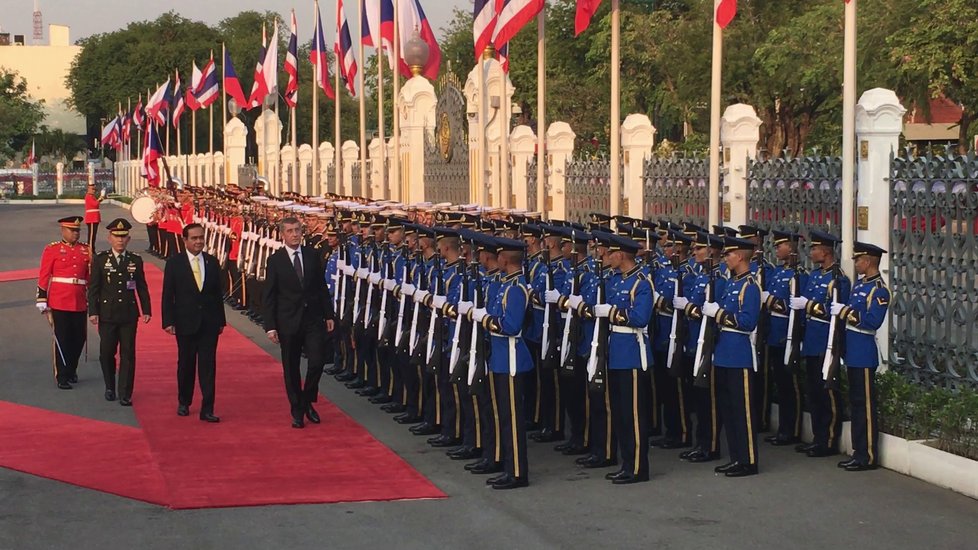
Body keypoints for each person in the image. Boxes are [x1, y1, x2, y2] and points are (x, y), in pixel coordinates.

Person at [262, 217, 336, 429]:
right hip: (288, 321)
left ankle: (306, 400)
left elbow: (321, 288)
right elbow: (270, 295)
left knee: (317, 362)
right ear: (282, 235)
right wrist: (271, 326)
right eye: (290, 231)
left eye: (297, 230)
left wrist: (329, 315)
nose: (295, 234)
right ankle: (297, 409)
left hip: (313, 319)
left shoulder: (312, 255)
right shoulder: (275, 260)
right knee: (291, 367)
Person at [592, 233, 654, 484]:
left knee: (634, 415)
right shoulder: (615, 280)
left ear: (621, 255)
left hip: (632, 353)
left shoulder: (642, 283)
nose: (606, 257)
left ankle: (638, 467)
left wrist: (613, 313)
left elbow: (640, 318)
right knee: (620, 413)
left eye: (610, 253)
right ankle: (626, 463)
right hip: (615, 352)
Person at [472, 237, 533, 490]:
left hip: (510, 358)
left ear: (505, 260)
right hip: (499, 358)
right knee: (501, 416)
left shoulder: (516, 288)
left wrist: (485, 320)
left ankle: (517, 471)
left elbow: (510, 326)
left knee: (511, 419)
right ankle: (506, 466)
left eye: (499, 256)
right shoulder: (504, 285)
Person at [790, 230, 851, 457]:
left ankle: (830, 440)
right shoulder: (816, 276)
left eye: (815, 249)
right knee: (814, 392)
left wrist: (807, 305)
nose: (812, 252)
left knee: (828, 392)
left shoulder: (839, 278)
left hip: (827, 340)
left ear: (825, 252)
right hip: (812, 340)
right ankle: (818, 437)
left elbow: (834, 313)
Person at [708, 236, 762, 477]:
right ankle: (736, 457)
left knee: (743, 411)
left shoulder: (750, 285)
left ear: (739, 256)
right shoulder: (732, 283)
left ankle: (748, 460)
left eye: (729, 255)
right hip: (724, 352)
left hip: (739, 354)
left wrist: (719, 315)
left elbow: (748, 322)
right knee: (728, 410)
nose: (725, 258)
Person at [161, 223, 226, 423]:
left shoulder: (212, 262)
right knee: (186, 364)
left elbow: (217, 295)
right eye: (194, 238)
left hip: (209, 324)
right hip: (185, 322)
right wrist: (168, 321)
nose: (198, 241)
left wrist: (221, 321)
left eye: (201, 238)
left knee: (208, 366)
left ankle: (207, 408)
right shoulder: (175, 263)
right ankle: (184, 401)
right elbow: (167, 295)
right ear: (185, 240)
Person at [835, 241, 889, 471]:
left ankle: (867, 455)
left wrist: (845, 312)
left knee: (865, 406)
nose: (856, 263)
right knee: (856, 404)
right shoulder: (859, 286)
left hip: (864, 351)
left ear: (868, 261)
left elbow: (872, 321)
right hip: (852, 349)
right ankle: (858, 452)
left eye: (858, 259)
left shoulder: (879, 290)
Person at [87, 218, 152, 405]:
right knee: (106, 352)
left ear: (129, 239)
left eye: (123, 237)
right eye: (116, 236)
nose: (120, 240)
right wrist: (93, 311)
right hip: (107, 314)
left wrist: (146, 309)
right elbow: (94, 288)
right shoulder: (100, 260)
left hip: (129, 314)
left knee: (128, 354)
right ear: (109, 238)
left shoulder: (135, 260)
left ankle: (125, 392)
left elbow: (142, 286)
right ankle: (109, 385)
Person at [36, 215, 92, 389]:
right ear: (63, 230)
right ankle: (62, 375)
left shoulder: (85, 249)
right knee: (62, 338)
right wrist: (42, 297)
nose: (76, 234)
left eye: (78, 231)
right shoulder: (52, 249)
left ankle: (71, 368)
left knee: (79, 338)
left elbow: (90, 277)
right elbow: (44, 274)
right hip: (59, 299)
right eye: (72, 230)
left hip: (79, 299)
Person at [84, 183, 104, 251]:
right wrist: (100, 199)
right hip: (91, 218)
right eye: (92, 189)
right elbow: (95, 204)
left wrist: (100, 199)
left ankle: (92, 248)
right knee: (91, 235)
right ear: (88, 189)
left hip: (94, 218)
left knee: (93, 235)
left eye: (94, 189)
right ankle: (90, 249)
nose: (94, 191)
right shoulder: (88, 196)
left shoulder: (92, 196)